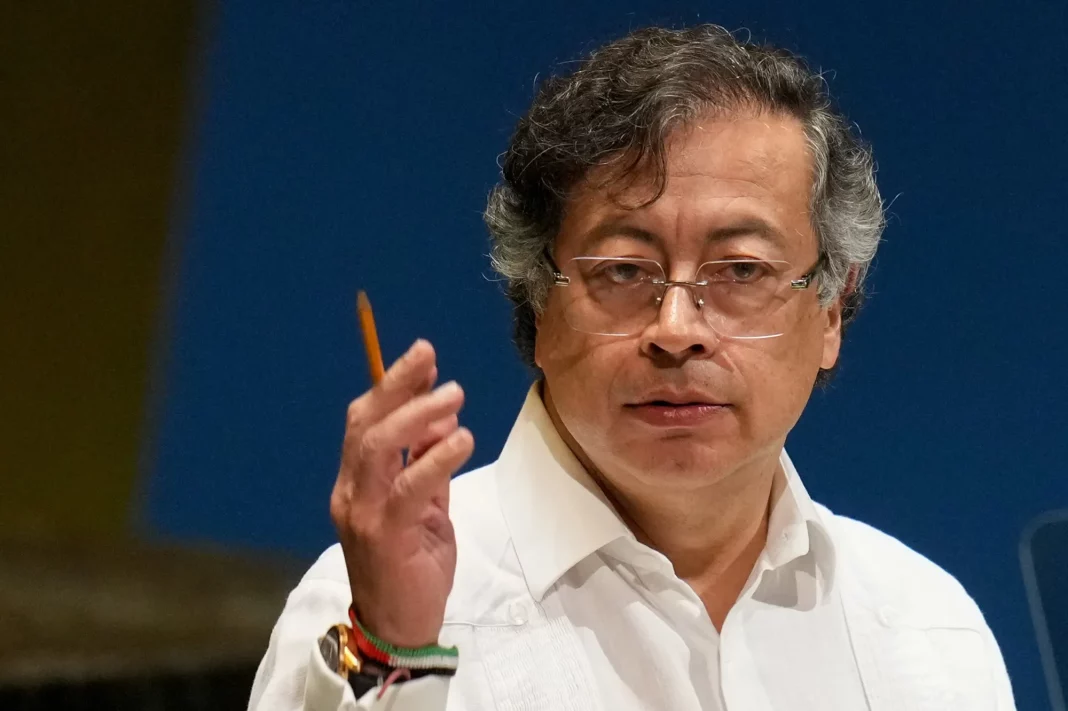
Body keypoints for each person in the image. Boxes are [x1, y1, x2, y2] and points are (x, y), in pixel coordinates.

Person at [248, 24, 1015, 711]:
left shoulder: (926, 628)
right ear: (538, 303)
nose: (676, 330)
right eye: (622, 270)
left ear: (831, 311)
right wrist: (397, 655)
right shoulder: (371, 612)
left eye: (740, 271)